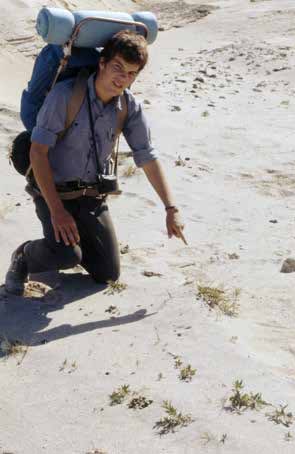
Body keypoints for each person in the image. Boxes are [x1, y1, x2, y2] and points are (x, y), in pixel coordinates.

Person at [5, 30, 185, 295]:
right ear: (102, 63)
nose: (122, 79)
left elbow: (147, 155)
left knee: (107, 274)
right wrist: (57, 211)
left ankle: (69, 245)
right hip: (52, 191)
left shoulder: (128, 105)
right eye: (117, 68)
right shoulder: (65, 96)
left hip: (91, 195)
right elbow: (38, 153)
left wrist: (171, 208)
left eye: (131, 73)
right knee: (67, 255)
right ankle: (24, 255)